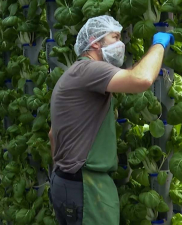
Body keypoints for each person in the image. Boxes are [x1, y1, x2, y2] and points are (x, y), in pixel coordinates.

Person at [48, 15, 174, 225]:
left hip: (66, 181)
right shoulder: (88, 69)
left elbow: (53, 134)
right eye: (115, 37)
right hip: (89, 186)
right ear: (95, 42)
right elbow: (141, 79)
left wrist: (67, 177)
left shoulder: (74, 73)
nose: (120, 44)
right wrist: (159, 44)